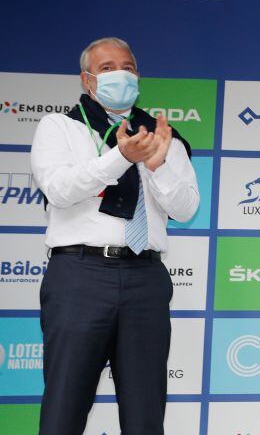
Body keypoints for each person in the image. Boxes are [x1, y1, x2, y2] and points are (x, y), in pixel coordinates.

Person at [30, 37, 199, 435]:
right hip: (80, 275)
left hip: (146, 278)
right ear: (87, 80)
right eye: (107, 68)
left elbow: (186, 208)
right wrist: (121, 157)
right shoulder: (60, 126)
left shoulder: (161, 135)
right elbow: (59, 189)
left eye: (128, 66)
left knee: (145, 414)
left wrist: (156, 166)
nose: (120, 73)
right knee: (64, 409)